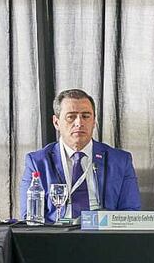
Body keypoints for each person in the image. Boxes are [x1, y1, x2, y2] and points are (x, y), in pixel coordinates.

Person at [19, 88, 141, 223]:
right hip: (56, 237)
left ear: (94, 121)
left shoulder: (119, 161)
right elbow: (30, 217)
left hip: (104, 236)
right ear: (56, 122)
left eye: (86, 116)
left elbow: (131, 212)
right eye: (71, 117)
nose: (79, 123)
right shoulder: (37, 162)